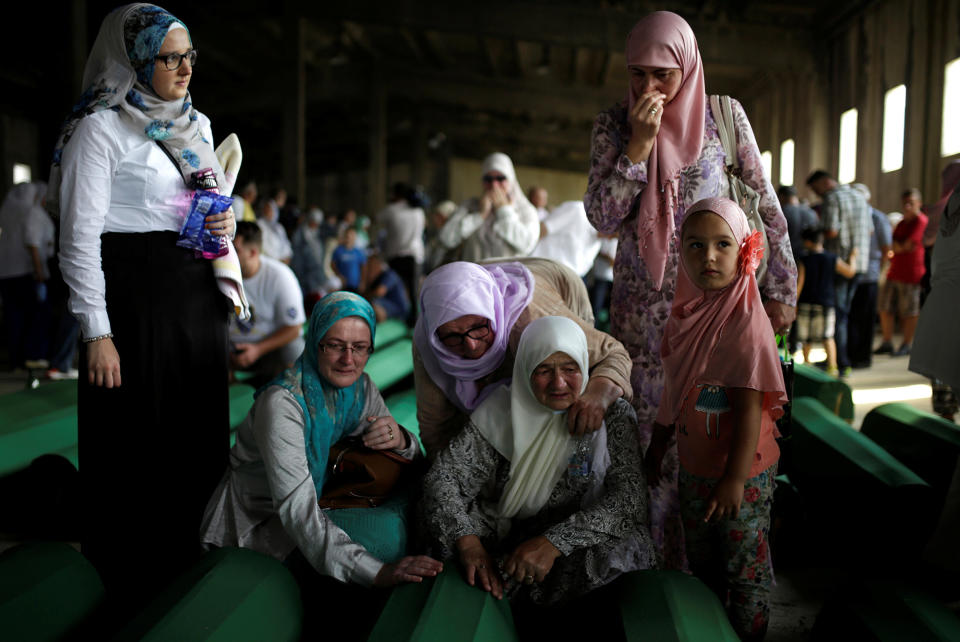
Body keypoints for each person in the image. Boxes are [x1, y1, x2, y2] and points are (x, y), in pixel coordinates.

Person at [584, 11, 796, 569]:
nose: (648, 88)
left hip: (717, 312)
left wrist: (781, 287)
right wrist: (639, 147)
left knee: (712, 430)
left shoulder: (723, 119)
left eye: (662, 74)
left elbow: (765, 204)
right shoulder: (613, 126)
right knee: (648, 445)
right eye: (637, 74)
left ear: (688, 66)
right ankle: (655, 573)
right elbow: (603, 218)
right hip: (643, 321)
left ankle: (718, 567)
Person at [48, 4, 236, 603]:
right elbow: (77, 238)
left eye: (189, 56)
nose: (184, 68)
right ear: (135, 59)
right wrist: (96, 332)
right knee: (137, 441)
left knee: (195, 435)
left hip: (193, 296)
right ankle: (129, 581)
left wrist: (221, 224)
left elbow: (198, 209)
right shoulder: (99, 129)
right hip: (133, 300)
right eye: (169, 57)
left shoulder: (196, 124)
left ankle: (190, 565)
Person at [202, 292, 442, 637]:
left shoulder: (360, 388)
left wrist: (401, 439)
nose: (349, 359)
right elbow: (297, 511)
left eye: (360, 347)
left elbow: (407, 460)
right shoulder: (283, 405)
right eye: (335, 345)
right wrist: (376, 572)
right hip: (260, 522)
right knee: (373, 560)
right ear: (315, 342)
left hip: (321, 497)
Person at [420, 316, 655, 628]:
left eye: (570, 369)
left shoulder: (611, 415)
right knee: (441, 530)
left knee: (627, 546)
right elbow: (443, 479)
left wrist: (552, 544)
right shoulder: (502, 412)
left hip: (574, 546)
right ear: (525, 369)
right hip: (511, 546)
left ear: (584, 366)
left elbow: (629, 500)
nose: (558, 383)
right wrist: (468, 543)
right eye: (543, 370)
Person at [645, 197, 787, 641]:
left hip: (741, 472)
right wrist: (659, 442)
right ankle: (709, 632)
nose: (708, 256)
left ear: (744, 248)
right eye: (695, 245)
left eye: (723, 244)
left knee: (743, 565)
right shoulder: (685, 316)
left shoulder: (746, 322)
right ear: (681, 251)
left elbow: (749, 411)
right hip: (695, 467)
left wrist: (734, 480)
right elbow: (675, 387)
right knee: (702, 560)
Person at [414, 258, 632, 458]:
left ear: (493, 313)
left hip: (555, 281)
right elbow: (435, 428)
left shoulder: (532, 321)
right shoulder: (430, 340)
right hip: (472, 279)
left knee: (566, 387)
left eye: (479, 327)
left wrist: (598, 395)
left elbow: (612, 353)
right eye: (453, 336)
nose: (471, 345)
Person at [806, 170, 871, 374]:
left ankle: (840, 362)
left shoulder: (832, 198)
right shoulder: (859, 196)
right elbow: (870, 230)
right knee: (848, 312)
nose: (817, 195)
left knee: (838, 315)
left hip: (838, 264)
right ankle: (846, 358)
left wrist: (816, 233)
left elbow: (831, 231)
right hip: (858, 263)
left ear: (825, 183)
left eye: (816, 189)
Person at [230, 221, 306, 382]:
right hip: (229, 349)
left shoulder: (280, 276)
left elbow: (294, 327)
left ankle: (294, 400)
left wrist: (258, 349)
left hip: (268, 349)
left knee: (295, 348)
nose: (227, 255)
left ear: (253, 252)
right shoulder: (219, 273)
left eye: (235, 250)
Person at [438, 152, 540, 262]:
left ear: (511, 180)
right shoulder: (470, 206)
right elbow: (446, 239)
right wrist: (479, 216)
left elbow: (527, 245)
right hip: (474, 277)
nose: (494, 185)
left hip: (508, 278)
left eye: (500, 178)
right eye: (488, 179)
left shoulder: (526, 210)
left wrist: (504, 211)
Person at [796, 228, 857, 376]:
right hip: (826, 302)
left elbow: (800, 283)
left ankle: (807, 366)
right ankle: (832, 367)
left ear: (808, 242)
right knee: (828, 336)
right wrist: (853, 257)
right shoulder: (832, 258)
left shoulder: (804, 259)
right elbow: (850, 272)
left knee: (806, 338)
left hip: (806, 302)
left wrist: (794, 303)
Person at [0, 183, 48, 369]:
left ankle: (15, 358)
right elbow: (32, 243)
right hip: (24, 271)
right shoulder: (30, 212)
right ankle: (31, 357)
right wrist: (39, 271)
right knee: (31, 316)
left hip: (5, 272)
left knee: (13, 317)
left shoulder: (6, 211)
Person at [875, 189, 928, 357]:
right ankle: (887, 341)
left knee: (909, 310)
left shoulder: (921, 221)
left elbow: (907, 245)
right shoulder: (902, 223)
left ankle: (907, 343)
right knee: (885, 307)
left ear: (919, 203)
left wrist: (898, 247)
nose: (907, 206)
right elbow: (893, 245)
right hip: (894, 271)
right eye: (905, 202)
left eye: (911, 203)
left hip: (912, 273)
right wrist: (897, 247)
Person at [848, 183, 892, 369]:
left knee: (865, 318)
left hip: (870, 275)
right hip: (850, 273)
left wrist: (880, 270)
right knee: (851, 317)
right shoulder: (850, 216)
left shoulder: (878, 218)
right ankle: (849, 355)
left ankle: (863, 358)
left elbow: (886, 248)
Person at [376, 182, 425, 313]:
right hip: (415, 255)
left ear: (395, 194)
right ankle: (413, 322)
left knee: (393, 287)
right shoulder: (419, 211)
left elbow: (377, 218)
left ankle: (395, 313)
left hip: (395, 256)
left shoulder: (392, 209)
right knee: (414, 291)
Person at [530, 200, 601, 278]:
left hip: (560, 282)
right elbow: (541, 230)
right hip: (536, 270)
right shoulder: (578, 211)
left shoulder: (598, 243)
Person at [362, 254, 411, 322]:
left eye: (371, 265)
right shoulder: (378, 278)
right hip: (388, 305)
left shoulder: (389, 274)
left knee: (372, 303)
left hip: (399, 310)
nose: (369, 268)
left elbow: (379, 292)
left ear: (378, 264)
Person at [256, 194, 293, 263]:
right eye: (266, 209)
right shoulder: (259, 224)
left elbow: (286, 246)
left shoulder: (279, 227)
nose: (269, 212)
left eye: (271, 209)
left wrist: (285, 259)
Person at [332, 227, 367, 292]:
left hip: (355, 285)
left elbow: (363, 267)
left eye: (352, 235)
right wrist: (339, 276)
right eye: (348, 235)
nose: (349, 237)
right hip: (342, 285)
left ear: (355, 237)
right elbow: (332, 265)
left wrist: (363, 282)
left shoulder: (359, 252)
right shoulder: (338, 250)